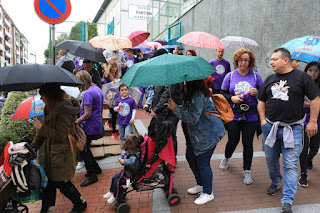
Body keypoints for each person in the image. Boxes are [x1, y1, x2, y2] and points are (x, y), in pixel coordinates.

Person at [258, 48, 320, 213]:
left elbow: (315, 98)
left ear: (286, 60)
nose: (271, 62)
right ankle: (276, 180)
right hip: (270, 128)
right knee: (271, 160)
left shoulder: (303, 78)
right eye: (271, 59)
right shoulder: (270, 79)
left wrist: (312, 121)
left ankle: (287, 200)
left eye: (274, 59)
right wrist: (263, 121)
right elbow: (261, 100)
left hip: (293, 130)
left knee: (290, 165)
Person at [167, 79, 225, 205]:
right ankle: (200, 184)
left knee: (203, 163)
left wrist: (176, 108)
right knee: (190, 157)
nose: (182, 84)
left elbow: (192, 118)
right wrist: (176, 107)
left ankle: (208, 193)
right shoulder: (191, 93)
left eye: (184, 82)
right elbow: (188, 109)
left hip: (208, 133)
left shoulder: (198, 94)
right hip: (198, 135)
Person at [31, 84, 87, 213]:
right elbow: (44, 132)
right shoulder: (48, 108)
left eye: (43, 95)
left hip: (63, 152)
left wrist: (41, 127)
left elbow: (61, 136)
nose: (41, 98)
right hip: (52, 151)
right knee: (50, 182)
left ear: (50, 95)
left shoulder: (64, 111)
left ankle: (80, 203)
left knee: (61, 182)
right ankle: (47, 209)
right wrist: (32, 146)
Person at [219, 48, 263, 185]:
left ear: (250, 62)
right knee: (232, 140)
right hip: (234, 115)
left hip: (251, 115)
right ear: (236, 60)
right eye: (240, 59)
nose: (243, 62)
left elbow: (264, 94)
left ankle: (247, 170)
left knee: (247, 144)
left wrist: (257, 93)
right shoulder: (230, 76)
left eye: (246, 60)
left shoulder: (256, 76)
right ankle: (226, 157)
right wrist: (231, 98)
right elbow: (222, 93)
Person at [75, 71, 104, 187]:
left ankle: (92, 175)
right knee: (86, 147)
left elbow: (87, 114)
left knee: (84, 149)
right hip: (96, 124)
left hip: (89, 126)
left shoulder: (88, 93)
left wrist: (77, 121)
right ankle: (96, 168)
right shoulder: (96, 88)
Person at [102, 134, 142, 203]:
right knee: (114, 177)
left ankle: (115, 196)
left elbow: (126, 161)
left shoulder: (134, 157)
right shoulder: (130, 152)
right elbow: (124, 154)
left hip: (131, 175)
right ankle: (111, 191)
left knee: (117, 182)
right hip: (126, 172)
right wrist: (121, 157)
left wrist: (122, 160)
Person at [298, 61, 320, 187]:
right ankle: (303, 174)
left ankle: (310, 159)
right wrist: (308, 103)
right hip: (303, 119)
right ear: (306, 71)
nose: (313, 72)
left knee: (315, 147)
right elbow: (295, 101)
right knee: (303, 148)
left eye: (316, 70)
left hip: (317, 120)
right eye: (310, 70)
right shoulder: (302, 84)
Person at [114, 84, 137, 151]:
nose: (124, 91)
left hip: (128, 121)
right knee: (121, 136)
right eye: (122, 90)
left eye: (126, 90)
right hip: (120, 121)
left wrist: (132, 118)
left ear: (128, 90)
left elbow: (134, 109)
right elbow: (115, 109)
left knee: (127, 136)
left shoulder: (131, 100)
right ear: (119, 92)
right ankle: (123, 150)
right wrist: (118, 106)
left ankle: (128, 150)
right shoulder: (118, 100)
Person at [102, 61, 120, 141]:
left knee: (114, 114)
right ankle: (114, 133)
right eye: (112, 67)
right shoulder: (107, 76)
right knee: (114, 114)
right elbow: (107, 85)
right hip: (109, 98)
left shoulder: (117, 76)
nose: (114, 68)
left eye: (115, 67)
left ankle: (109, 122)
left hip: (115, 98)